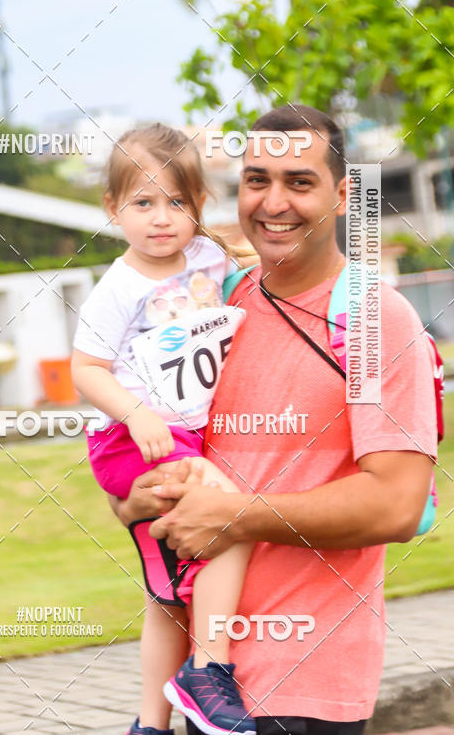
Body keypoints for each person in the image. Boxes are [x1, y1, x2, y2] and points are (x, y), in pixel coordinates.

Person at [118, 105, 437, 735]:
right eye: (257, 180)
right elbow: (162, 459)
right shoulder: (214, 306)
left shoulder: (373, 319)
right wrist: (137, 501)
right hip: (201, 685)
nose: (274, 202)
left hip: (304, 683)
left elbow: (398, 504)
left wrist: (234, 516)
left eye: (299, 182)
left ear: (342, 195)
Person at [71, 123, 258, 735]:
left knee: (168, 594)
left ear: (199, 203)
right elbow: (86, 369)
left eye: (177, 201)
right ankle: (209, 670)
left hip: (186, 437)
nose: (161, 218)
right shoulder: (116, 289)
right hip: (133, 440)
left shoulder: (208, 257)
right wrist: (137, 414)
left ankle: (150, 724)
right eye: (143, 202)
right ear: (113, 208)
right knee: (232, 515)